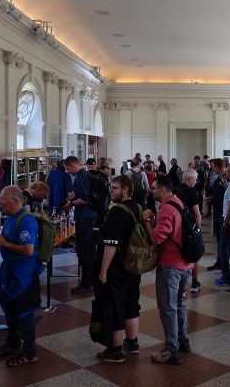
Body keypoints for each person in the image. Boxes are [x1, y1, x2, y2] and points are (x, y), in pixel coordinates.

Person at [143, 176, 193, 365]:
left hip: (171, 265)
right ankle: (183, 341)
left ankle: (172, 350)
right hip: (185, 264)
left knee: (168, 307)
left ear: (162, 189)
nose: (151, 190)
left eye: (154, 188)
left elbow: (157, 238)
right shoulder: (178, 202)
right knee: (179, 304)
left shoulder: (166, 208)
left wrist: (147, 221)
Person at [93, 174, 143, 363]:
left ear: (126, 190)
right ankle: (132, 343)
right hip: (133, 265)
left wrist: (103, 270)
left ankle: (115, 350)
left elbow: (111, 244)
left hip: (117, 267)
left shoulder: (117, 212)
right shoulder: (137, 207)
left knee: (115, 305)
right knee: (131, 303)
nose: (111, 191)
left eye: (114, 188)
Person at [0, 186, 43, 366]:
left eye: (2, 199)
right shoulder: (11, 217)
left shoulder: (26, 220)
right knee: (10, 305)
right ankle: (13, 342)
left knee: (24, 312)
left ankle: (30, 352)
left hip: (23, 274)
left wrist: (4, 243)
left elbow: (28, 250)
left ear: (14, 200)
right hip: (10, 270)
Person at [64, 156, 96, 294]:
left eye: (68, 169)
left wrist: (71, 203)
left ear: (72, 165)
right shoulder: (87, 174)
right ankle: (91, 280)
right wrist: (73, 198)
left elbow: (85, 199)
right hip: (90, 216)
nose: (68, 172)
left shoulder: (81, 177)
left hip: (85, 217)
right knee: (88, 249)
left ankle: (87, 283)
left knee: (83, 250)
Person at [176, 168, 203, 293]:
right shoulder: (192, 191)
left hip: (178, 226)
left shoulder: (176, 189)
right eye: (195, 179)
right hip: (190, 227)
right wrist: (199, 230)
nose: (196, 182)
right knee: (194, 254)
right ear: (189, 178)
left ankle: (182, 287)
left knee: (181, 255)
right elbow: (197, 214)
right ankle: (195, 282)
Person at [206, 158, 228, 272]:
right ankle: (219, 261)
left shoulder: (226, 178)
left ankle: (224, 264)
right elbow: (217, 192)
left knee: (223, 240)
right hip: (217, 211)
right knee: (219, 239)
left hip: (223, 213)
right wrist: (211, 198)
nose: (212, 168)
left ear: (219, 167)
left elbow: (229, 194)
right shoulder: (219, 177)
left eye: (213, 166)